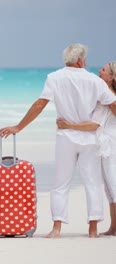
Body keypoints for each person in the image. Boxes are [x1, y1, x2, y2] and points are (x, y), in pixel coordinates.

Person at [0, 44, 116, 238]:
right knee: (93, 183)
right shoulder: (95, 81)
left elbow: (40, 104)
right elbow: (112, 104)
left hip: (66, 138)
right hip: (90, 139)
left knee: (60, 183)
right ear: (81, 61)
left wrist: (18, 127)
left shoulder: (54, 78)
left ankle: (56, 228)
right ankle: (93, 230)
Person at [56, 61, 116, 236]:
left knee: (112, 185)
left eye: (103, 70)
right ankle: (114, 228)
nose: (99, 71)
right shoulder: (106, 96)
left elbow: (94, 125)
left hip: (110, 145)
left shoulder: (109, 98)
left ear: (111, 77)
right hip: (106, 144)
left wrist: (68, 125)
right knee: (109, 187)